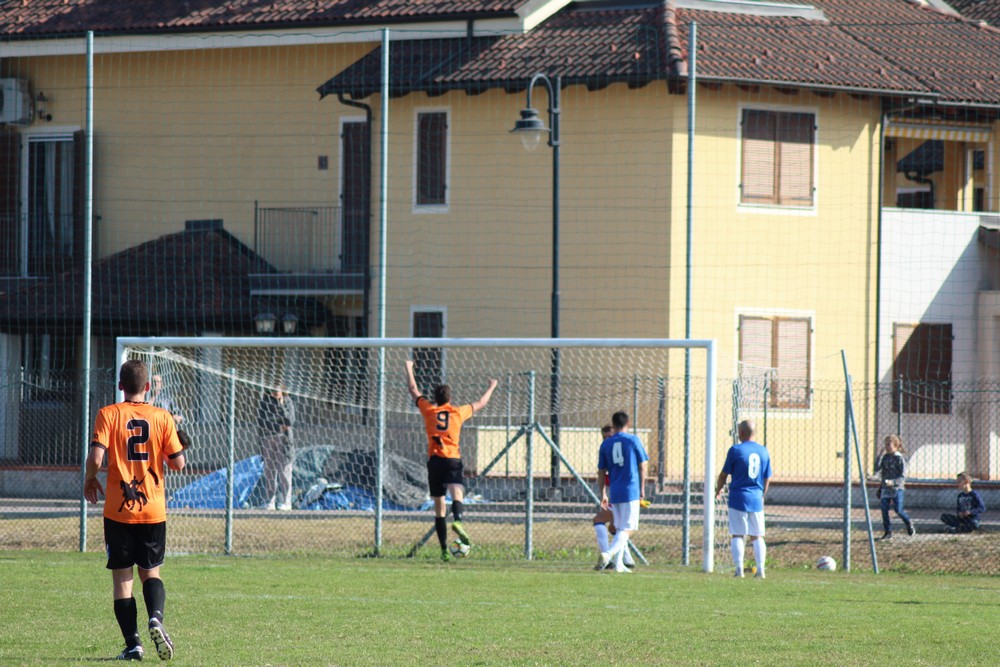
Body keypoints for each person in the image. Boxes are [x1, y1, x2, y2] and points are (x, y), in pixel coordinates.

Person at [83, 359, 187, 661]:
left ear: (120, 386)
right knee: (150, 572)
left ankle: (133, 644)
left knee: (122, 580)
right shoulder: (162, 416)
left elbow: (96, 457)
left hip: (119, 512)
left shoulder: (108, 414)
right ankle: (156, 617)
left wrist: (90, 478)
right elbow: (178, 464)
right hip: (153, 510)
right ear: (148, 387)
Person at [405, 359, 497, 561]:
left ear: (436, 399)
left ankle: (444, 550)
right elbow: (481, 403)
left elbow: (413, 389)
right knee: (457, 494)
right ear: (450, 398)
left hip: (435, 461)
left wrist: (409, 367)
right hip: (452, 460)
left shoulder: (429, 410)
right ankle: (458, 520)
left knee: (439, 508)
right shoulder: (457, 412)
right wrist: (492, 386)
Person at [715, 419, 772, 579]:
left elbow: (723, 475)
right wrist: (762, 495)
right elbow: (767, 478)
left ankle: (739, 570)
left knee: (738, 534)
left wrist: (718, 490)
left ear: (740, 433)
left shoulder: (735, 450)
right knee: (757, 535)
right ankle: (761, 570)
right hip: (756, 498)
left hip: (738, 497)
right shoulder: (763, 451)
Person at [596, 411, 649, 574]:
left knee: (620, 528)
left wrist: (603, 493)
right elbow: (643, 466)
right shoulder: (633, 440)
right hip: (630, 490)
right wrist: (642, 488)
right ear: (628, 423)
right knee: (628, 529)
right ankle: (608, 554)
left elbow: (601, 471)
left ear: (613, 424)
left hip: (615, 491)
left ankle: (619, 565)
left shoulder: (606, 444)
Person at [591, 424, 634, 571]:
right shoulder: (610, 451)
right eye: (604, 437)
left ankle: (608, 557)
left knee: (606, 523)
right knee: (616, 527)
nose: (606, 440)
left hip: (623, 496)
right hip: (618, 495)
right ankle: (625, 560)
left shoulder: (616, 451)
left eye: (608, 437)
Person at [257, 383, 296, 511]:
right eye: (273, 391)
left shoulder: (288, 402)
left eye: (277, 391)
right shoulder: (265, 402)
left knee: (284, 470)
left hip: (283, 440)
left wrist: (280, 405)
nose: (275, 393)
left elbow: (289, 421)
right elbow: (262, 421)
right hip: (268, 438)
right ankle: (269, 502)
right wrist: (278, 423)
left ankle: (285, 502)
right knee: (269, 471)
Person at [870, 434, 914, 539]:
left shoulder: (899, 458)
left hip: (896, 488)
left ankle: (908, 522)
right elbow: (877, 469)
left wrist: (893, 482)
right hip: (885, 488)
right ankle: (888, 532)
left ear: (895, 445)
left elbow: (902, 476)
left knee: (898, 509)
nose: (887, 446)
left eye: (889, 444)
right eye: (885, 444)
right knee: (884, 509)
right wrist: (879, 455)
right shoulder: (885, 457)